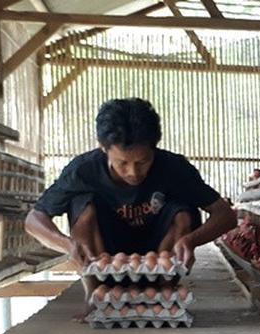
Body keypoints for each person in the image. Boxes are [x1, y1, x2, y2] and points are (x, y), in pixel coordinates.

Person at [25, 98, 237, 269]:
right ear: (103, 148)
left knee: (182, 212)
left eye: (143, 161)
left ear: (155, 148)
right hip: (104, 250)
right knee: (84, 207)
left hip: (160, 248)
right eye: (122, 163)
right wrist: (67, 244)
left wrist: (191, 241)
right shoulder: (84, 170)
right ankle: (96, 286)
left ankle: (165, 283)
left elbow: (225, 215)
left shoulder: (174, 168)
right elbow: (34, 219)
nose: (133, 172)